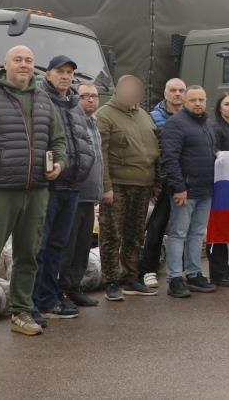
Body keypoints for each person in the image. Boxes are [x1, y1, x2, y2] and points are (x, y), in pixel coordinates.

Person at [0, 45, 66, 344]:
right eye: (17, 60)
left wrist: (58, 164)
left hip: (35, 191)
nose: (24, 65)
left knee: (28, 255)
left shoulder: (44, 100)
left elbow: (58, 142)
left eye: (29, 61)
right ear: (4, 65)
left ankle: (21, 312)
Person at [34, 56, 95, 322]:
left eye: (70, 72)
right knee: (41, 246)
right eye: (60, 71)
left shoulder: (74, 105)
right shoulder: (40, 101)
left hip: (72, 186)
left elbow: (83, 140)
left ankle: (51, 295)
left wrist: (85, 164)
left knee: (59, 246)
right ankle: (39, 301)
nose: (65, 76)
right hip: (49, 186)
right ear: (48, 74)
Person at [97, 75, 161, 301]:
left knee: (135, 235)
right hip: (117, 186)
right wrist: (106, 186)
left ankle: (131, 277)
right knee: (111, 234)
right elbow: (101, 154)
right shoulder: (104, 115)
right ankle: (111, 280)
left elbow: (154, 150)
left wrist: (156, 182)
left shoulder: (144, 116)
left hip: (143, 185)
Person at [160, 86, 219, 298]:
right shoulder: (174, 124)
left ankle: (194, 274)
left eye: (201, 99)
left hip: (205, 190)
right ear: (185, 101)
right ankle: (175, 278)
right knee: (178, 234)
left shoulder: (207, 124)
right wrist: (179, 187)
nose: (198, 103)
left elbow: (209, 152)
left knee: (196, 234)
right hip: (185, 191)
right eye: (193, 99)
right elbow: (169, 158)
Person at [59, 82, 105, 309]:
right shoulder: (71, 121)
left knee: (83, 245)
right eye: (85, 95)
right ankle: (62, 290)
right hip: (74, 192)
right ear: (76, 97)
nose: (90, 100)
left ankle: (74, 288)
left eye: (94, 96)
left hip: (90, 196)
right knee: (68, 245)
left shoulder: (94, 123)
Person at [141, 78, 187, 289]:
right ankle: (148, 270)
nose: (177, 94)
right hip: (163, 180)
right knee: (157, 227)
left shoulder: (191, 117)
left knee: (183, 228)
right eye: (173, 90)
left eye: (181, 90)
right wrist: (156, 180)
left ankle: (181, 269)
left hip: (186, 181)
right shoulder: (153, 118)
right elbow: (150, 152)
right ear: (165, 93)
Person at [207, 91, 229, 288]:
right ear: (219, 107)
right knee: (217, 228)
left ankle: (225, 271)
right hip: (219, 183)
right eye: (227, 104)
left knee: (225, 228)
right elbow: (213, 150)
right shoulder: (215, 127)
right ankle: (218, 273)